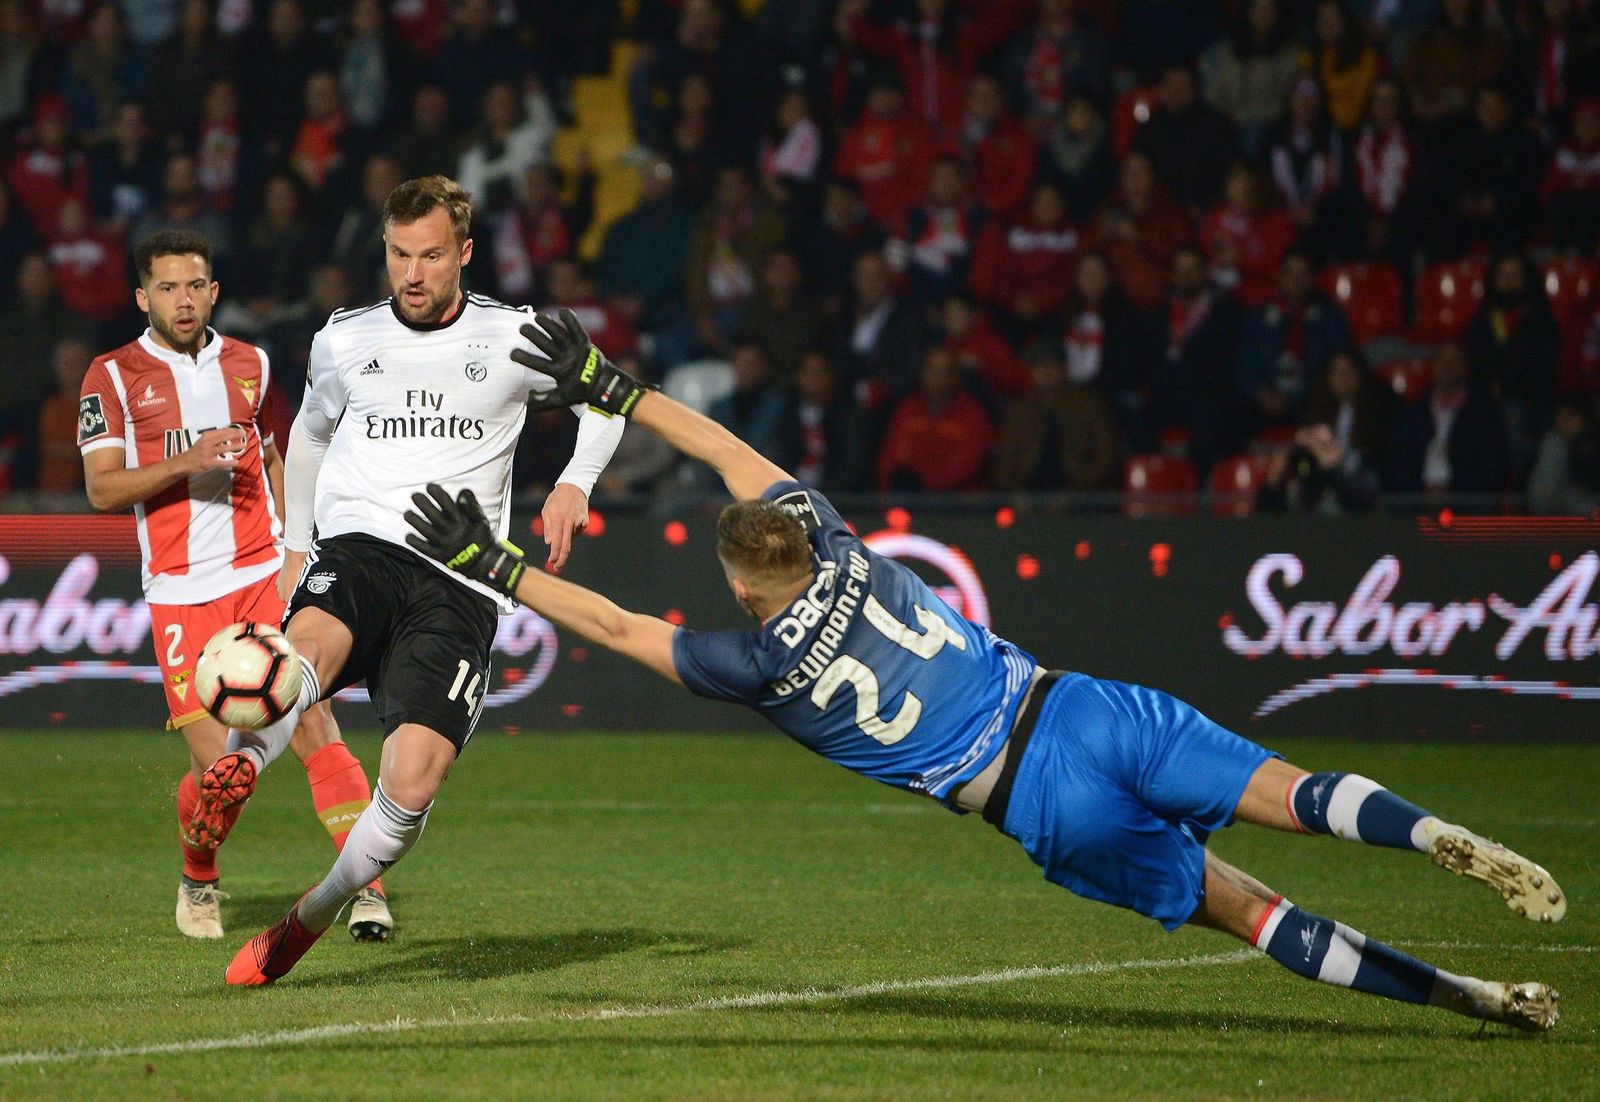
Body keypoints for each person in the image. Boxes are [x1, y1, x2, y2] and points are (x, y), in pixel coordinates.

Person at [386, 311, 1561, 1032]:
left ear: (746, 586)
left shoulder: (758, 661)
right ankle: (1432, 833)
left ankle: (1457, 996)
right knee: (1293, 792)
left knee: (1251, 909)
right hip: (1078, 705)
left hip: (1035, 797)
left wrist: (495, 565)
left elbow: (615, 626)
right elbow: (733, 452)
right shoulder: (839, 541)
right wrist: (615, 387)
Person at [214, 177, 623, 985]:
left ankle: (310, 915)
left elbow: (607, 399)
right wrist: (297, 545)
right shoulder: (344, 338)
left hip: (461, 578)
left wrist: (575, 483)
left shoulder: (517, 334)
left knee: (409, 788)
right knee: (303, 651)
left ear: (464, 252)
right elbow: (310, 437)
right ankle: (244, 764)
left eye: (431, 256)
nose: (412, 273)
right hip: (361, 547)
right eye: (399, 255)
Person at [76, 230, 391, 942]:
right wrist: (185, 462)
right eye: (167, 288)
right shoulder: (113, 375)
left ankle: (367, 889)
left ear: (214, 292)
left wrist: (295, 549)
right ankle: (199, 876)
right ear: (142, 298)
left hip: (261, 577)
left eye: (195, 286)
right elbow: (101, 488)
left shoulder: (251, 362)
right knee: (222, 771)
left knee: (314, 724)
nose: (183, 300)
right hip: (181, 593)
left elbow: (278, 456)